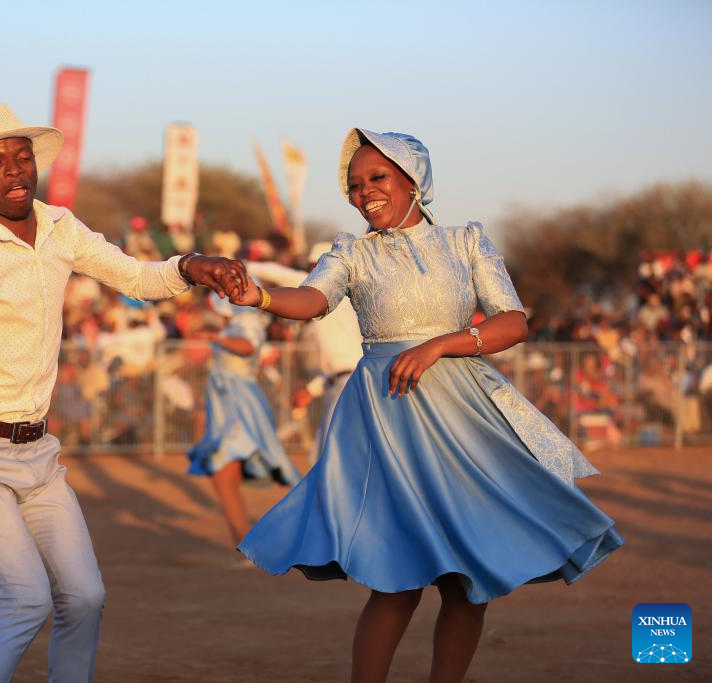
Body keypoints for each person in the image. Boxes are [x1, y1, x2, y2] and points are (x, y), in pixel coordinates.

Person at [231, 129, 623, 683]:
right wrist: (262, 297)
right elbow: (312, 299)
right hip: (389, 415)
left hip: (466, 418)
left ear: (415, 181)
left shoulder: (466, 241)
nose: (364, 191)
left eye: (378, 178)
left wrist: (440, 344)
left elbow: (513, 321)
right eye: (355, 184)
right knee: (397, 579)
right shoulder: (351, 251)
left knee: (468, 582)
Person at [0, 103, 245, 683]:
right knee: (25, 599)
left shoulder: (62, 227)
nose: (15, 171)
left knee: (86, 597)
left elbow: (137, 278)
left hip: (37, 453)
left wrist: (192, 265)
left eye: (23, 158)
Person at [187, 292, 300, 548]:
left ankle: (251, 544)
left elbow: (248, 346)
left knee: (226, 475)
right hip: (227, 405)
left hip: (240, 407)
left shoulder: (248, 322)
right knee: (224, 478)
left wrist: (215, 336)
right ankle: (246, 545)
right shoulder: (235, 324)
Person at [246, 244, 363, 465]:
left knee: (326, 459)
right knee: (326, 458)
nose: (309, 273)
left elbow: (280, 274)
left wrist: (244, 265)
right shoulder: (341, 300)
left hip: (348, 385)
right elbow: (341, 366)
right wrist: (311, 390)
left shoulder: (327, 290)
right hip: (343, 383)